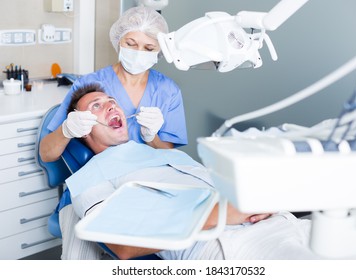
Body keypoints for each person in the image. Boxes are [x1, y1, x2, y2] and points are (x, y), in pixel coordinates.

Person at [61, 83, 318, 260]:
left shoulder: (168, 154)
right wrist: (220, 214)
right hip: (231, 246)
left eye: (112, 102)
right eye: (96, 106)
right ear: (82, 127)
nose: (111, 107)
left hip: (285, 222)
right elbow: (122, 246)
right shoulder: (89, 176)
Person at [40, 6, 187, 163]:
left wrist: (151, 137)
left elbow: (170, 158)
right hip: (108, 177)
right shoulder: (88, 85)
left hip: (151, 176)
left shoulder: (168, 91)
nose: (138, 53)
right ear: (119, 41)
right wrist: (66, 130)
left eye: (149, 48)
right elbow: (46, 154)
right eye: (131, 44)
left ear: (159, 52)